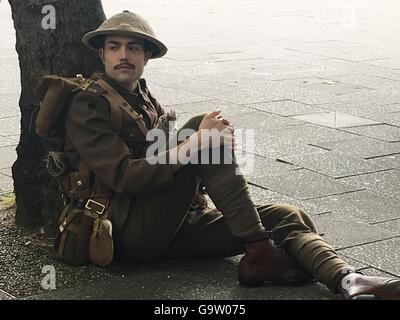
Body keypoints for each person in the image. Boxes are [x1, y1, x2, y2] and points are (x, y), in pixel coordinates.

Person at [61, 10, 400, 300]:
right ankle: (260, 252)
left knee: (285, 215)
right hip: (124, 232)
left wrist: (199, 149)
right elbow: (125, 176)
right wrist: (196, 143)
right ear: (102, 55)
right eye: (114, 47)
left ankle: (347, 280)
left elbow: (168, 158)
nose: (124, 55)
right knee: (199, 129)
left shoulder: (143, 98)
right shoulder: (88, 105)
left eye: (133, 48)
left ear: (146, 57)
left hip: (170, 225)